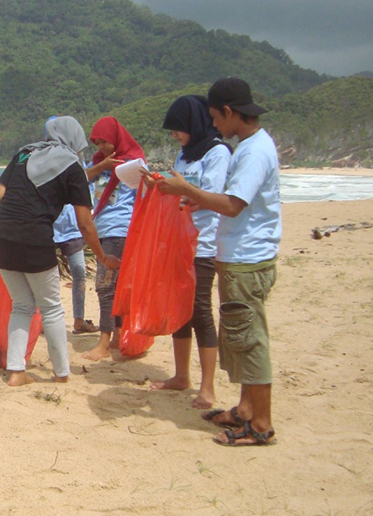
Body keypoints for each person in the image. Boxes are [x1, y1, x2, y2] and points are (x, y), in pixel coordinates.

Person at [148, 78, 281, 446]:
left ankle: (260, 424)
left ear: (228, 111)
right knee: (238, 337)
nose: (215, 126)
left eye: (216, 118)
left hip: (246, 257)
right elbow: (227, 200)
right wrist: (193, 198)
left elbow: (233, 205)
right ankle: (245, 409)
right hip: (239, 254)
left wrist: (187, 191)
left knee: (248, 340)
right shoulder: (249, 147)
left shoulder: (251, 152)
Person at [0, 116, 119, 387]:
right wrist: (103, 256)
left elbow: (0, 196)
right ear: (75, 137)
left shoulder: (25, 153)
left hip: (1, 235)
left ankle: (16, 372)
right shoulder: (72, 165)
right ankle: (61, 374)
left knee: (22, 306)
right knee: (51, 308)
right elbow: (85, 222)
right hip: (34, 238)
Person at [149, 95, 231, 409]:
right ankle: (181, 376)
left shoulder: (218, 152)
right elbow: (181, 191)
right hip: (178, 242)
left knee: (199, 312)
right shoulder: (185, 155)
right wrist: (158, 184)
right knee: (178, 312)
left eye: (178, 129)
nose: (174, 136)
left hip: (204, 243)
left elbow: (209, 196)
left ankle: (207, 387)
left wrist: (178, 188)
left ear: (194, 124)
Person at [81, 117, 145, 361]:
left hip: (119, 229)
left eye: (104, 142)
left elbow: (146, 193)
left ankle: (104, 342)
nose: (101, 147)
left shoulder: (132, 163)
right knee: (114, 286)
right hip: (102, 228)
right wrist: (103, 165)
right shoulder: (98, 162)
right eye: (96, 143)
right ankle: (117, 335)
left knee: (105, 286)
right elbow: (80, 179)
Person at [53, 203, 97, 334]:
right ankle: (47, 320)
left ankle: (79, 321)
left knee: (79, 275)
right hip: (49, 229)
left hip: (73, 231)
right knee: (48, 277)